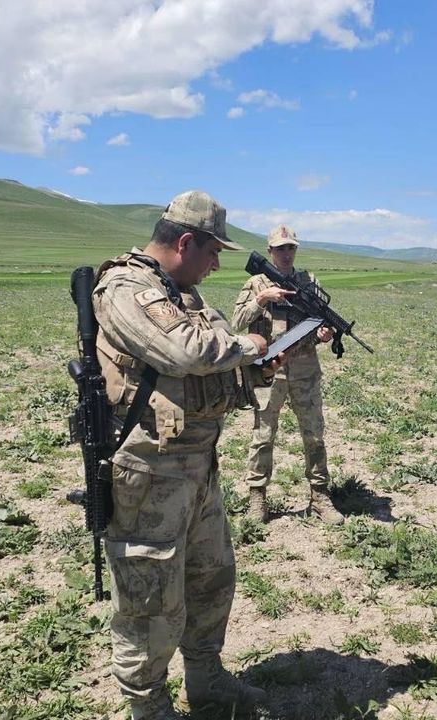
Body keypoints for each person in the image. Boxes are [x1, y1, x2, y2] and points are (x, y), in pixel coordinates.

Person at [92, 190, 276, 720]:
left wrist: (254, 367)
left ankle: (208, 680)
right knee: (150, 604)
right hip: (150, 473)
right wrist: (248, 348)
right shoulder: (127, 287)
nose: (218, 263)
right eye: (213, 251)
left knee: (210, 580)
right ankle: (149, 708)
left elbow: (211, 363)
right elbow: (187, 351)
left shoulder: (186, 293)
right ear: (185, 242)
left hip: (198, 467)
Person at [232, 224, 345, 524]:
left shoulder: (309, 282)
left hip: (305, 368)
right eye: (280, 248)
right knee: (263, 436)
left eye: (291, 247)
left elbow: (323, 323)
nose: (286, 253)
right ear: (269, 251)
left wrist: (325, 333)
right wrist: (262, 299)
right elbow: (236, 321)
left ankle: (320, 495)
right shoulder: (256, 283)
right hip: (268, 370)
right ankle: (257, 498)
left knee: (315, 435)